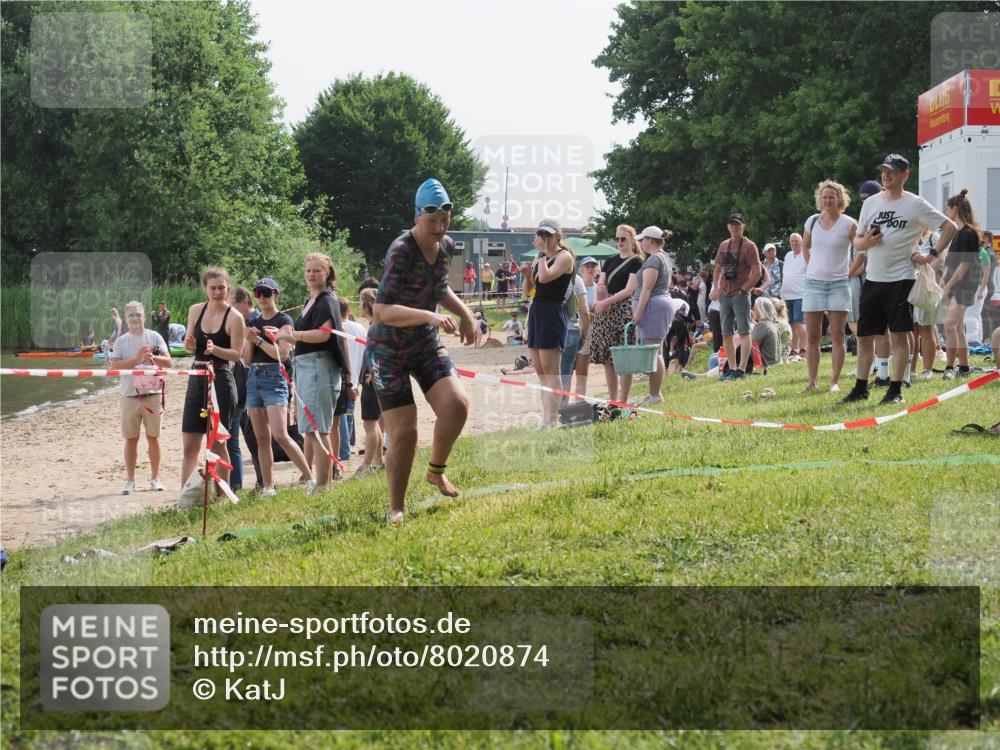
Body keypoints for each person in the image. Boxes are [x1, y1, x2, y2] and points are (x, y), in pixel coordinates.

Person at [366, 178, 475, 523]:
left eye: (445, 220)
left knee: (457, 405)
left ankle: (436, 471)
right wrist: (429, 315)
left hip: (424, 344)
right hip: (388, 350)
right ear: (417, 217)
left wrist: (466, 313)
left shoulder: (447, 247)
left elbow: (439, 288)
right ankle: (396, 507)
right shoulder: (402, 250)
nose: (440, 228)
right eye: (433, 222)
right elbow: (382, 310)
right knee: (407, 431)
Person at [840, 154, 957, 406]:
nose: (886, 175)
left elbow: (950, 227)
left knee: (899, 336)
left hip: (901, 278)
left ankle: (895, 390)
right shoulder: (870, 203)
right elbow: (858, 241)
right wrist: (866, 242)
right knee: (864, 336)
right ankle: (860, 388)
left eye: (892, 171)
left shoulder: (915, 204)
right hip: (873, 278)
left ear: (905, 175)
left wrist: (931, 254)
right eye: (884, 170)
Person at [275, 253, 349, 492]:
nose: (311, 274)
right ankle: (319, 482)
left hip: (319, 366)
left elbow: (324, 334)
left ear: (327, 273)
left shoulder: (327, 299)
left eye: (317, 270)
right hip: (306, 366)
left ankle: (324, 485)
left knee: (319, 429)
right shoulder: (311, 300)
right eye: (308, 270)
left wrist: (292, 335)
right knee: (309, 429)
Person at [242, 277, 314, 496]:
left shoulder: (284, 320)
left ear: (276, 295)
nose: (263, 298)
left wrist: (258, 341)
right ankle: (268, 487)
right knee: (261, 437)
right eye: (259, 294)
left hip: (274, 377)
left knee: (281, 434)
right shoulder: (253, 323)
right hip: (254, 377)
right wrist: (248, 340)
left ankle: (311, 479)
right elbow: (246, 360)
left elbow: (282, 355)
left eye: (267, 293)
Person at [181, 267, 246, 493]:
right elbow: (189, 345)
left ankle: (222, 494)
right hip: (196, 376)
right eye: (213, 288)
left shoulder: (235, 317)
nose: (217, 293)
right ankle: (186, 496)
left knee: (218, 442)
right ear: (205, 289)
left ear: (228, 288)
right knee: (190, 444)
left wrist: (216, 348)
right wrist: (189, 345)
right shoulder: (195, 311)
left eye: (221, 288)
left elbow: (237, 354)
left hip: (221, 380)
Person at [111, 301, 172, 494]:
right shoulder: (121, 341)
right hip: (129, 395)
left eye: (138, 315)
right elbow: (115, 366)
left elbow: (169, 362)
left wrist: (153, 358)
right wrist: (137, 358)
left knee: (153, 438)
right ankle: (130, 481)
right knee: (131, 439)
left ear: (144, 317)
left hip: (153, 394)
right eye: (131, 316)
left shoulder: (154, 336)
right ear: (126, 319)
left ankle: (155, 479)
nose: (135, 319)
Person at [802, 180, 857, 392]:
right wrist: (811, 265)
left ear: (840, 199)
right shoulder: (812, 221)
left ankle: (834, 381)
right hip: (814, 283)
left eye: (831, 197)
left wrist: (851, 272)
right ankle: (812, 381)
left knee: (837, 335)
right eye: (824, 197)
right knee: (813, 335)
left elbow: (861, 249)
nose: (827, 200)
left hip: (839, 284)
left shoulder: (849, 223)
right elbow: (806, 245)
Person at [527, 218, 576, 428]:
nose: (543, 239)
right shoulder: (542, 257)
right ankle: (546, 416)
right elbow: (533, 288)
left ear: (558, 236)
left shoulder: (564, 257)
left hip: (553, 312)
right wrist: (527, 276)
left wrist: (542, 254)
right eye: (541, 235)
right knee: (540, 370)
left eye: (547, 235)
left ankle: (551, 419)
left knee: (551, 371)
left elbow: (546, 278)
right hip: (537, 311)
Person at [591, 225, 645, 403]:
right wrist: (601, 299)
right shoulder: (609, 259)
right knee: (608, 359)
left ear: (632, 240)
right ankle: (612, 400)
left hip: (623, 311)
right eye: (617, 239)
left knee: (624, 359)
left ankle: (623, 400)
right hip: (605, 311)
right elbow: (601, 283)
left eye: (623, 239)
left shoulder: (637, 261)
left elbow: (629, 290)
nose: (619, 242)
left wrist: (605, 302)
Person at [711, 213, 761, 380]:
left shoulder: (749, 246)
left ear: (743, 227)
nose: (734, 227)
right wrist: (716, 288)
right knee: (726, 333)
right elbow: (717, 268)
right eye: (732, 224)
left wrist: (745, 289)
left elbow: (757, 271)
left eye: (738, 225)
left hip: (740, 294)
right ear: (728, 226)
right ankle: (731, 368)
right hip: (724, 294)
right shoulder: (724, 245)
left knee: (744, 331)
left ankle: (741, 369)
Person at [941, 189, 984, 379]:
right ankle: (964, 367)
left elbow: (965, 264)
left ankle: (949, 367)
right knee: (958, 327)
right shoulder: (958, 233)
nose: (946, 213)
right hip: (955, 283)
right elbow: (951, 262)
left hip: (965, 286)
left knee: (949, 325)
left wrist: (948, 285)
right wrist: (943, 279)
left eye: (947, 209)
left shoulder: (968, 233)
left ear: (955, 209)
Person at [630, 226, 675, 405]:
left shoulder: (654, 260)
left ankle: (655, 394)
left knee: (654, 352)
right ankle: (653, 393)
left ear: (650, 240)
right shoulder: (662, 258)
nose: (640, 243)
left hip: (654, 306)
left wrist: (638, 313)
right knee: (656, 350)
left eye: (642, 239)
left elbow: (647, 289)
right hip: (660, 304)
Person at [225, 286, 257, 491]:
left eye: (232, 305)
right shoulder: (242, 322)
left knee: (248, 438)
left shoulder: (253, 322)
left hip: (249, 384)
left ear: (245, 301)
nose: (230, 310)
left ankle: (239, 485)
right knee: (241, 437)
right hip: (241, 383)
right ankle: (238, 484)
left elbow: (245, 358)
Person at [355, 288, 384, 478]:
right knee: (375, 424)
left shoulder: (375, 328)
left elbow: (381, 351)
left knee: (370, 424)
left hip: (372, 379)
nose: (358, 307)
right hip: (374, 378)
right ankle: (378, 461)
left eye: (360, 302)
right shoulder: (376, 325)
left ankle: (366, 465)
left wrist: (373, 372)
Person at [339, 298, 367, 462]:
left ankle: (346, 446)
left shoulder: (337, 329)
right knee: (349, 412)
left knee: (342, 413)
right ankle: (349, 443)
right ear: (349, 310)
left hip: (343, 377)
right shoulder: (360, 329)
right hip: (356, 377)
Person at [560, 263, 590, 403]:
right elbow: (584, 311)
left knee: (551, 374)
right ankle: (563, 406)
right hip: (572, 330)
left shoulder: (547, 277)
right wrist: (583, 335)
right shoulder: (576, 280)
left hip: (553, 331)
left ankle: (551, 411)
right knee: (566, 373)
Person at [572, 257, 601, 399]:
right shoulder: (575, 285)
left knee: (582, 371)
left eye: (593, 266)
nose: (590, 268)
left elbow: (600, 312)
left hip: (589, 330)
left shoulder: (599, 289)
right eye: (587, 265)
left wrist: (591, 315)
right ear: (581, 269)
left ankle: (579, 399)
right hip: (573, 327)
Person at [780, 233, 808, 360]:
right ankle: (794, 348)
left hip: (800, 294)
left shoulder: (806, 254)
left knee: (800, 322)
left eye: (796, 240)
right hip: (787, 294)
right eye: (792, 241)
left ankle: (806, 347)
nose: (794, 243)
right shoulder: (788, 255)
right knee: (791, 323)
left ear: (801, 241)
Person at [963, 229, 992, 346]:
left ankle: (972, 340)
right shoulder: (975, 252)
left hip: (979, 287)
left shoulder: (983, 253)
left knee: (971, 314)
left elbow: (986, 275)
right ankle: (977, 340)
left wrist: (980, 291)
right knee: (975, 313)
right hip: (973, 287)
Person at [750, 296, 781, 367]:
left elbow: (752, 348)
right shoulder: (771, 324)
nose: (753, 310)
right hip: (773, 363)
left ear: (761, 310)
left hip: (764, 365)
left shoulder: (762, 325)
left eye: (754, 309)